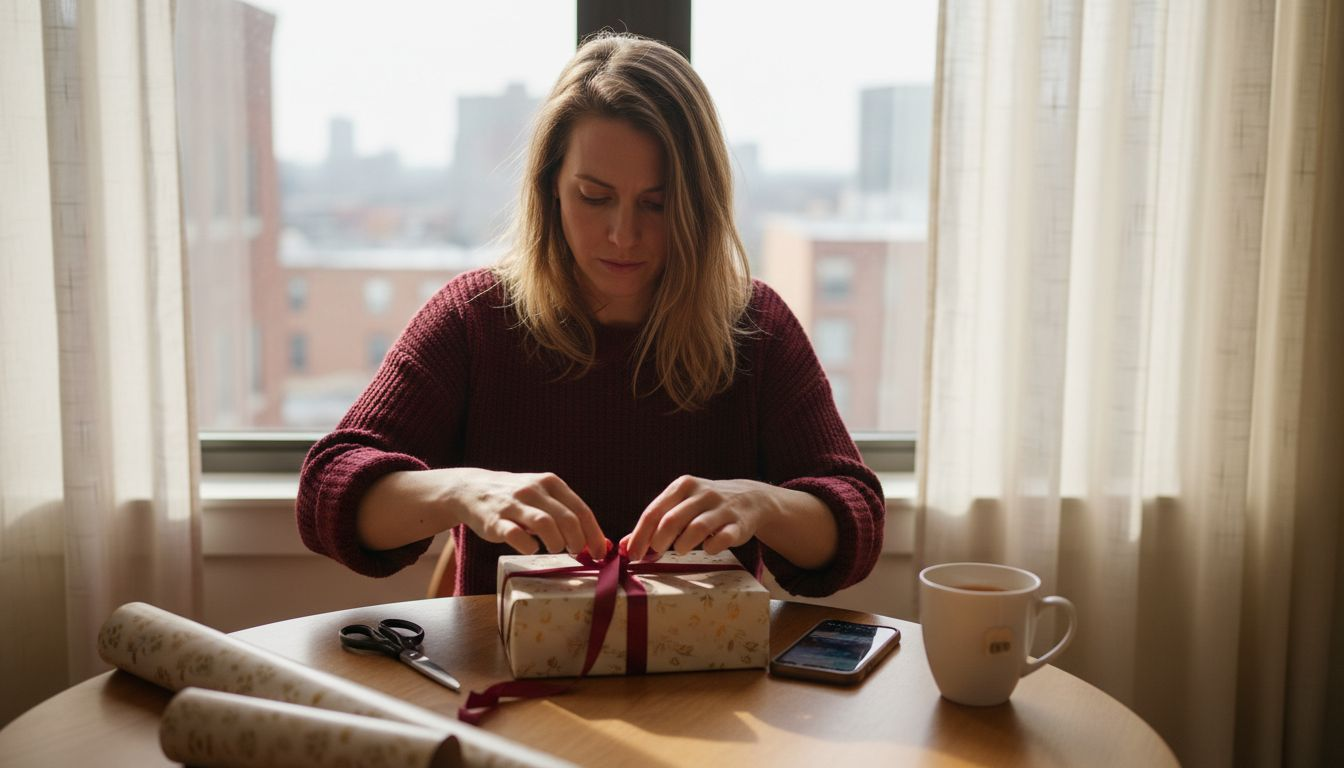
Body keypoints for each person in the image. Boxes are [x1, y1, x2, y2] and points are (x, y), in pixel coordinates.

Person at [296, 32, 885, 598]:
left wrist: (761, 504)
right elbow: (326, 492)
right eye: (594, 196)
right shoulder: (474, 319)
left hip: (711, 685)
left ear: (698, 205)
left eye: (656, 204)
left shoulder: (756, 326)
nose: (622, 234)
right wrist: (465, 490)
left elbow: (855, 525)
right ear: (551, 185)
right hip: (511, 685)